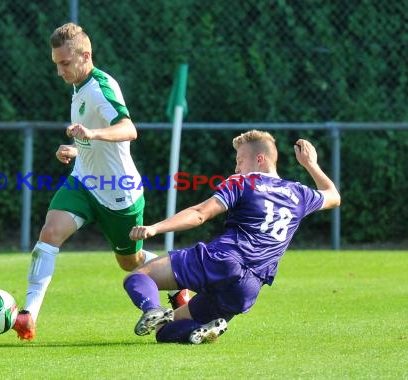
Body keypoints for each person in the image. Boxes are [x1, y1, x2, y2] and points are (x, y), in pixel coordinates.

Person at [13, 22, 188, 341]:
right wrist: (78, 149)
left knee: (131, 263)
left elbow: (128, 129)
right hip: (84, 182)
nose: (59, 71)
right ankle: (28, 315)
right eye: (56, 64)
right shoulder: (79, 87)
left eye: (65, 63)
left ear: (85, 55)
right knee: (50, 233)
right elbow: (93, 142)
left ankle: (180, 279)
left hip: (118, 193)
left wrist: (92, 134)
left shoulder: (100, 87)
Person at [123, 130, 341, 344]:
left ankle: (152, 309)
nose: (236, 168)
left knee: (138, 277)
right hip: (248, 287)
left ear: (259, 159)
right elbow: (333, 196)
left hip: (221, 260)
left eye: (240, 160)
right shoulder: (299, 194)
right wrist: (310, 164)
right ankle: (199, 330)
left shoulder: (242, 182)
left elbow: (200, 214)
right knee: (165, 331)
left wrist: (155, 228)